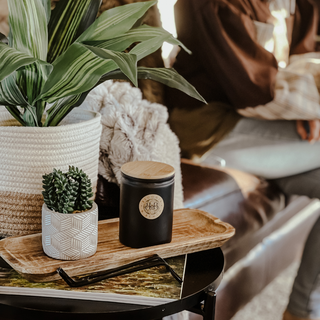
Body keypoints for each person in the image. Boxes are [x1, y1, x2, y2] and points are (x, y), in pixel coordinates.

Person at [165, 0, 320, 319]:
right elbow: (256, 92)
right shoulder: (214, 5)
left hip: (261, 117)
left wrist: (309, 111)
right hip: (208, 126)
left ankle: (301, 310)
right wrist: (310, 107)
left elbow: (302, 60)